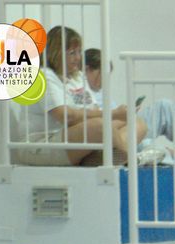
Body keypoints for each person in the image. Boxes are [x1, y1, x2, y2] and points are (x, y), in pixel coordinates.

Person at [11, 26, 146, 166]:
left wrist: (117, 115)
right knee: (100, 125)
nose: (78, 58)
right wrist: (113, 114)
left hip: (71, 137)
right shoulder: (42, 75)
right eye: (72, 53)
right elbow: (66, 116)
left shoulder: (77, 76)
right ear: (56, 53)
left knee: (136, 122)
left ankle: (97, 158)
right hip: (41, 143)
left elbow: (93, 109)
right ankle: (130, 161)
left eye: (79, 52)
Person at [83, 48, 175, 165]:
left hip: (124, 127)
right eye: (102, 74)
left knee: (164, 107)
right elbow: (93, 124)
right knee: (145, 141)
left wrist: (127, 112)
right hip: (112, 134)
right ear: (87, 70)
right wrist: (120, 115)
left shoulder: (101, 92)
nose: (105, 80)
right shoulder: (80, 91)